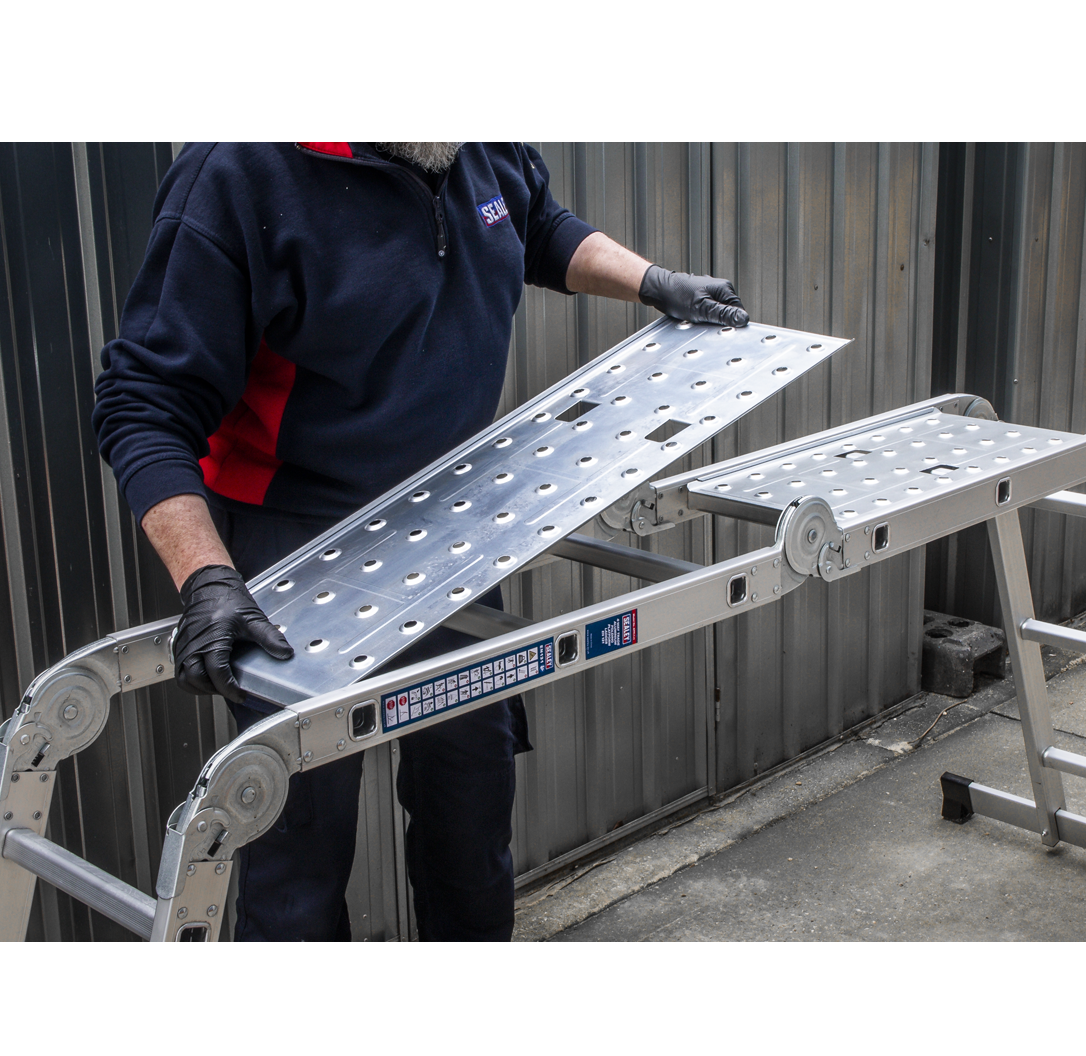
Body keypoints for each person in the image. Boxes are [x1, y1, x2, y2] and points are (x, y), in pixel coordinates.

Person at [92, 142, 749, 941]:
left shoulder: (473, 141)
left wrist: (651, 281)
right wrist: (206, 578)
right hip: (298, 551)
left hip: (456, 528)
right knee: (299, 853)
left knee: (470, 816)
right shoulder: (237, 176)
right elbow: (144, 402)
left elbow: (536, 226)